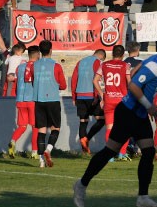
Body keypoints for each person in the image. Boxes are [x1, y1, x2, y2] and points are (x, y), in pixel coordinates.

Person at [73, 34, 157, 207]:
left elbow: (134, 72)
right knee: (110, 151)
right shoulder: (155, 66)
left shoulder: (155, 61)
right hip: (129, 113)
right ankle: (81, 184)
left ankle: (143, 197)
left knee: (148, 152)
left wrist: (146, 104)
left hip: (138, 114)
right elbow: (133, 84)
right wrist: (149, 105)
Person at [31, 40, 67, 168]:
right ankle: (48, 150)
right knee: (55, 128)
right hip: (52, 100)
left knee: (41, 130)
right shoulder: (56, 66)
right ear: (51, 50)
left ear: (40, 51)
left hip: (38, 100)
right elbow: (63, 85)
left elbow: (33, 81)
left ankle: (41, 161)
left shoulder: (33, 65)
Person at [95, 44, 131, 160]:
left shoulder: (104, 64)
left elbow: (95, 80)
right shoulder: (125, 65)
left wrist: (102, 95)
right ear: (123, 55)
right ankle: (122, 153)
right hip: (122, 101)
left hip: (109, 100)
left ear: (112, 53)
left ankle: (109, 156)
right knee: (125, 128)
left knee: (109, 128)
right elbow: (129, 83)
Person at [72, 49, 107, 154]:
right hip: (92, 95)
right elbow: (97, 80)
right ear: (101, 56)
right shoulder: (98, 62)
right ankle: (87, 138)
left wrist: (74, 97)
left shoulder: (80, 62)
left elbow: (74, 79)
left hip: (80, 95)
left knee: (83, 121)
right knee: (101, 119)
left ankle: (84, 150)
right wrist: (98, 95)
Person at [8, 45, 40, 159]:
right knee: (35, 127)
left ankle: (12, 141)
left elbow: (16, 83)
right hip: (32, 100)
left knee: (22, 126)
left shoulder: (20, 67)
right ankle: (34, 152)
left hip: (20, 100)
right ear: (37, 55)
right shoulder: (37, 67)